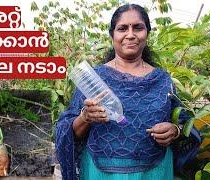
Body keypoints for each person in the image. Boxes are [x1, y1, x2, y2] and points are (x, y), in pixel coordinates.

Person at [55, 4, 201, 180]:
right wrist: (85, 118)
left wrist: (174, 131)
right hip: (101, 173)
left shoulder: (163, 80)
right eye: (122, 28)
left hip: (155, 172)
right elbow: (67, 131)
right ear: (112, 35)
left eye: (138, 28)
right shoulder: (94, 79)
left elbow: (186, 124)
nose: (130, 34)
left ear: (147, 33)